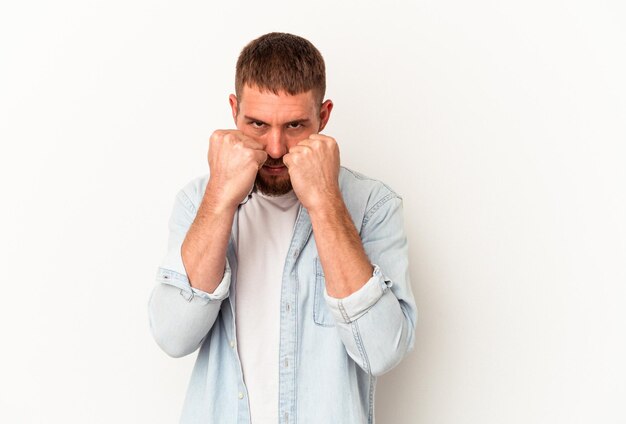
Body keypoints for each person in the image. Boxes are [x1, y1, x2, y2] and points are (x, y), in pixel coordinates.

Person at [148, 32, 417, 424]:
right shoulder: (197, 201)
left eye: (294, 125)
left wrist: (324, 201)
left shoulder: (371, 206)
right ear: (233, 110)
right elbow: (173, 336)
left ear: (323, 117)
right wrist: (221, 197)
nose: (275, 147)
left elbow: (382, 352)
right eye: (257, 123)